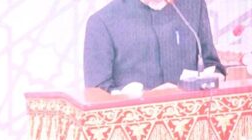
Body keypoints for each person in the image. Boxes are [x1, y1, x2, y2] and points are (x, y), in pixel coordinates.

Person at [84, 0, 225, 92]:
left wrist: (214, 77)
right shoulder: (102, 22)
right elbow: (97, 93)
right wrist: (148, 96)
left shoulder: (193, 5)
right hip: (135, 128)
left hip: (194, 121)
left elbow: (211, 64)